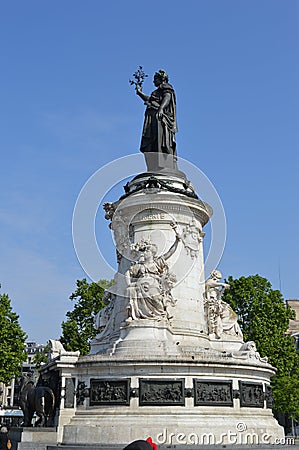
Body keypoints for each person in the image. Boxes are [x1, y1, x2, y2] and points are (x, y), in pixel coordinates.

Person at [136, 70, 178, 171]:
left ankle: (164, 165)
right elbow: (150, 99)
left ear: (161, 79)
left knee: (160, 140)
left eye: (155, 79)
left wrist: (161, 109)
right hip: (152, 118)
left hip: (159, 118)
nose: (154, 81)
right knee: (151, 141)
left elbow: (167, 98)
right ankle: (153, 166)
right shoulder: (156, 91)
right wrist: (140, 93)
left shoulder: (166, 87)